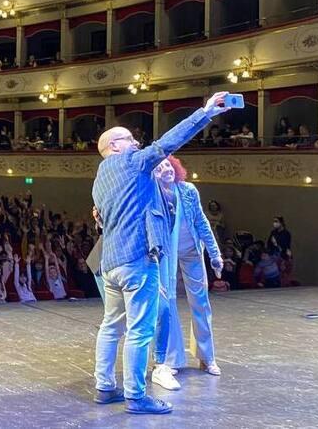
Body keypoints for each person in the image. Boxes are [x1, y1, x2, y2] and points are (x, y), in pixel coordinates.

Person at [91, 91, 232, 415]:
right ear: (114, 147)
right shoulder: (130, 162)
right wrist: (206, 113)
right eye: (129, 139)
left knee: (111, 325)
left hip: (111, 264)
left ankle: (104, 387)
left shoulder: (100, 179)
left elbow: (102, 217)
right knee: (140, 330)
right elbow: (166, 144)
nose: (136, 142)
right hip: (138, 260)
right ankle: (136, 396)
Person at [150, 156, 224, 392]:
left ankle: (206, 356)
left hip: (192, 249)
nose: (166, 170)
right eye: (160, 168)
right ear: (154, 175)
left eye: (168, 165)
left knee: (201, 302)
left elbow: (202, 222)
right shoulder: (152, 195)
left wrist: (215, 255)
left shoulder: (188, 190)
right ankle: (170, 360)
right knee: (168, 303)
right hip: (167, 252)